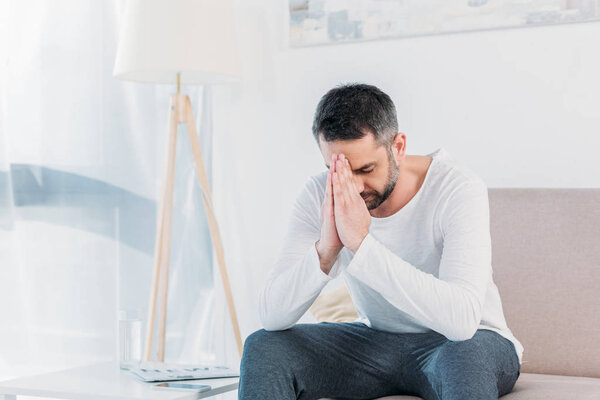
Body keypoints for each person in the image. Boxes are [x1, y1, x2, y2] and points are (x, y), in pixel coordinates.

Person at [238, 83, 523, 400]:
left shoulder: (457, 188)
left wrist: (361, 245)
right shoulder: (320, 194)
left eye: (366, 169)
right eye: (339, 170)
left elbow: (462, 323)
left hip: (467, 344)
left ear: (398, 147)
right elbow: (273, 316)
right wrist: (327, 250)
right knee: (264, 346)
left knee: (464, 355)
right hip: (374, 344)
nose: (355, 187)